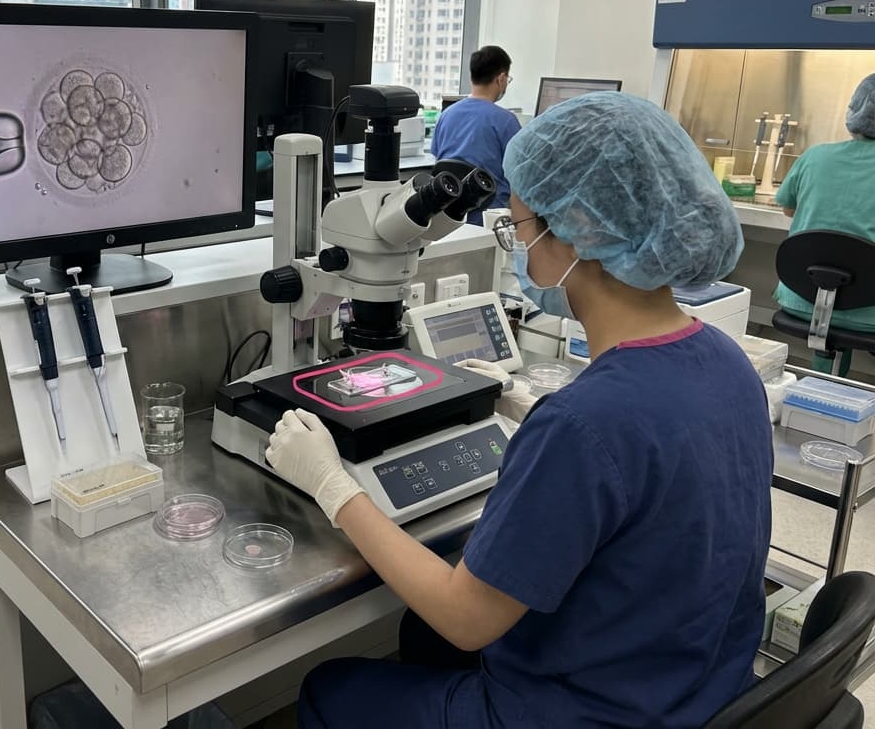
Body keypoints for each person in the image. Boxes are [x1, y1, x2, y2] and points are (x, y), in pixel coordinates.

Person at [267, 93, 774, 728]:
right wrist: (530, 404)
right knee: (418, 638)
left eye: (519, 226)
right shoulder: (726, 361)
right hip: (696, 689)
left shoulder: (585, 427)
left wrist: (332, 486)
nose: (519, 248)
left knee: (330, 686)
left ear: (579, 234)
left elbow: (465, 618)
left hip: (584, 716)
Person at [774, 73, 875, 377]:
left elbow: (789, 209)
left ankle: (822, 386)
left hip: (805, 298)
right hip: (869, 313)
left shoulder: (815, 156)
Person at [430, 45, 521, 225]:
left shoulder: (446, 115)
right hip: (490, 220)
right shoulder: (506, 121)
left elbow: (439, 159)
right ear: (501, 79)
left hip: (450, 219)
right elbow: (520, 174)